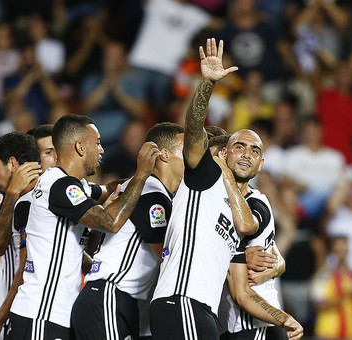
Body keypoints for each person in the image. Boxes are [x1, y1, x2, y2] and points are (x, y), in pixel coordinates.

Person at [9, 114, 159, 339]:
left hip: (56, 313)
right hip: (42, 312)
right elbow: (110, 222)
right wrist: (141, 174)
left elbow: (108, 188)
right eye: (97, 143)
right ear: (80, 147)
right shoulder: (57, 187)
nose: (102, 150)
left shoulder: (75, 186)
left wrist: (149, 181)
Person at [149, 38, 260, 340]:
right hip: (183, 300)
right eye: (236, 147)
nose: (245, 154)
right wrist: (207, 84)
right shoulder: (204, 175)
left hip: (199, 309)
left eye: (253, 150)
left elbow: (246, 225)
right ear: (220, 155)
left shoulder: (233, 198)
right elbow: (194, 128)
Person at [71, 122, 185, 340]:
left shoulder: (151, 191)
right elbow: (169, 259)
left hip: (118, 301)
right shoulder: (150, 193)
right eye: (185, 149)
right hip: (109, 296)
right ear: (164, 154)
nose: (191, 155)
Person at [213, 145, 302, 339]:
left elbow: (248, 227)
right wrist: (240, 256)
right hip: (226, 317)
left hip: (252, 316)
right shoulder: (213, 201)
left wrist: (277, 265)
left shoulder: (255, 202)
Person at [0, 126, 57, 339]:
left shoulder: (45, 199)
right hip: (19, 310)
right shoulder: (4, 198)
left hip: (34, 312)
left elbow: (26, 270)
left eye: (52, 152)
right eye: (45, 152)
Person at [310, 236, 352, 339]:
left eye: (343, 245)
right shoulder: (323, 276)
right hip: (329, 334)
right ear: (332, 250)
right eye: (338, 246)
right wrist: (346, 295)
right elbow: (318, 305)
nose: (341, 249)